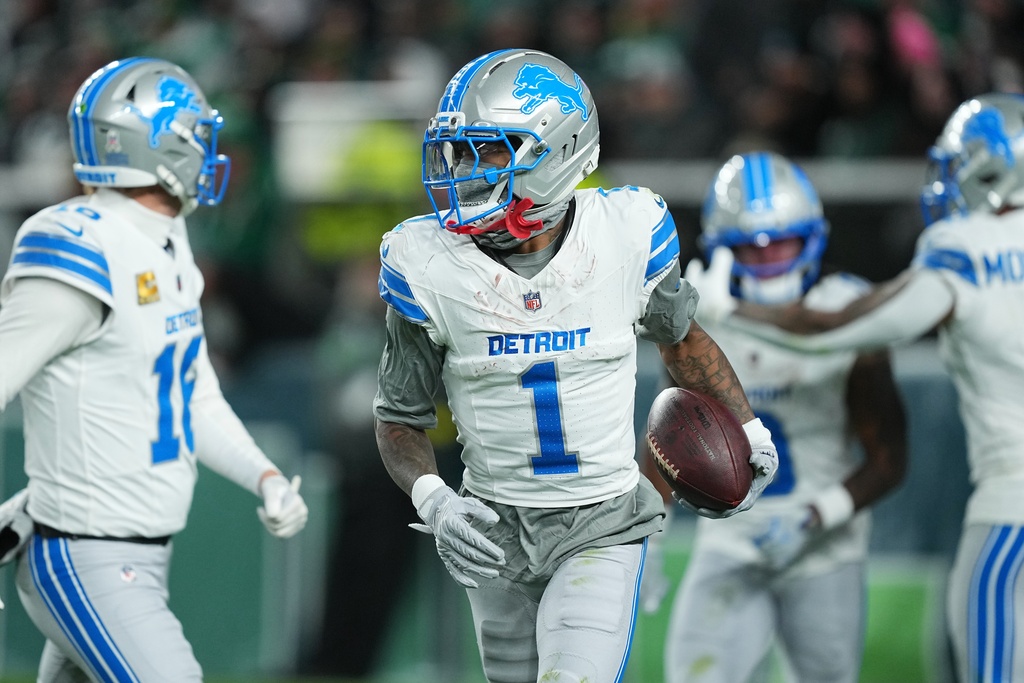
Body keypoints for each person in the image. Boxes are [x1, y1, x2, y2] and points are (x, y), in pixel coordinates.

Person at [371, 48, 780, 683]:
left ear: (555, 153)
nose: (465, 172)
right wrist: (436, 501)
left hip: (602, 522)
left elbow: (682, 342)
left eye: (490, 151)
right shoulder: (426, 262)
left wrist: (749, 430)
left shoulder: (624, 233)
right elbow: (400, 417)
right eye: (459, 153)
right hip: (493, 528)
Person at [686, 93, 1024, 683]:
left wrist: (730, 310)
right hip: (732, 546)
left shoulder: (964, 247)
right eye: (749, 251)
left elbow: (835, 334)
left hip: (1004, 505)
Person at [1, 57, 309, 682]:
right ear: (160, 144)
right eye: (197, 134)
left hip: (129, 557)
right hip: (84, 553)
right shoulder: (80, 244)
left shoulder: (164, 237)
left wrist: (264, 475)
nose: (207, 151)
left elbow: (192, 395)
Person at [640, 152, 908, 683]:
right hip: (730, 540)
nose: (766, 260)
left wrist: (816, 515)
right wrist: (650, 534)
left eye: (781, 244)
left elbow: (890, 458)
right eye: (749, 248)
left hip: (824, 547)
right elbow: (669, 431)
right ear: (722, 249)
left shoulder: (844, 310)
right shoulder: (699, 315)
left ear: (812, 239)